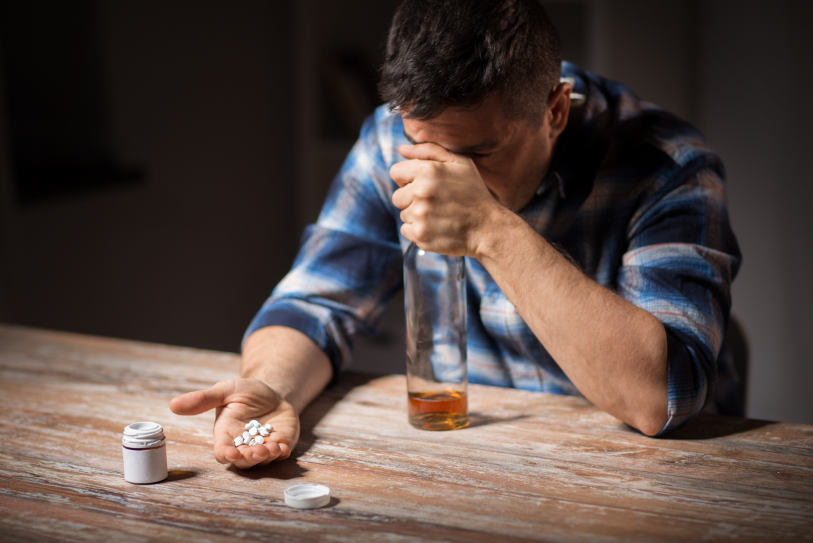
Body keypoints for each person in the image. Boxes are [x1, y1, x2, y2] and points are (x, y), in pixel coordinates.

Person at [170, 0, 741, 468]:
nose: (444, 177)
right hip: (479, 449)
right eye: (428, 147)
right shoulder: (391, 138)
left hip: (653, 465)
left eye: (477, 153)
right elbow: (317, 301)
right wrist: (271, 388)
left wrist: (491, 229)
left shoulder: (669, 165)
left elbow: (660, 399)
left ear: (555, 111)